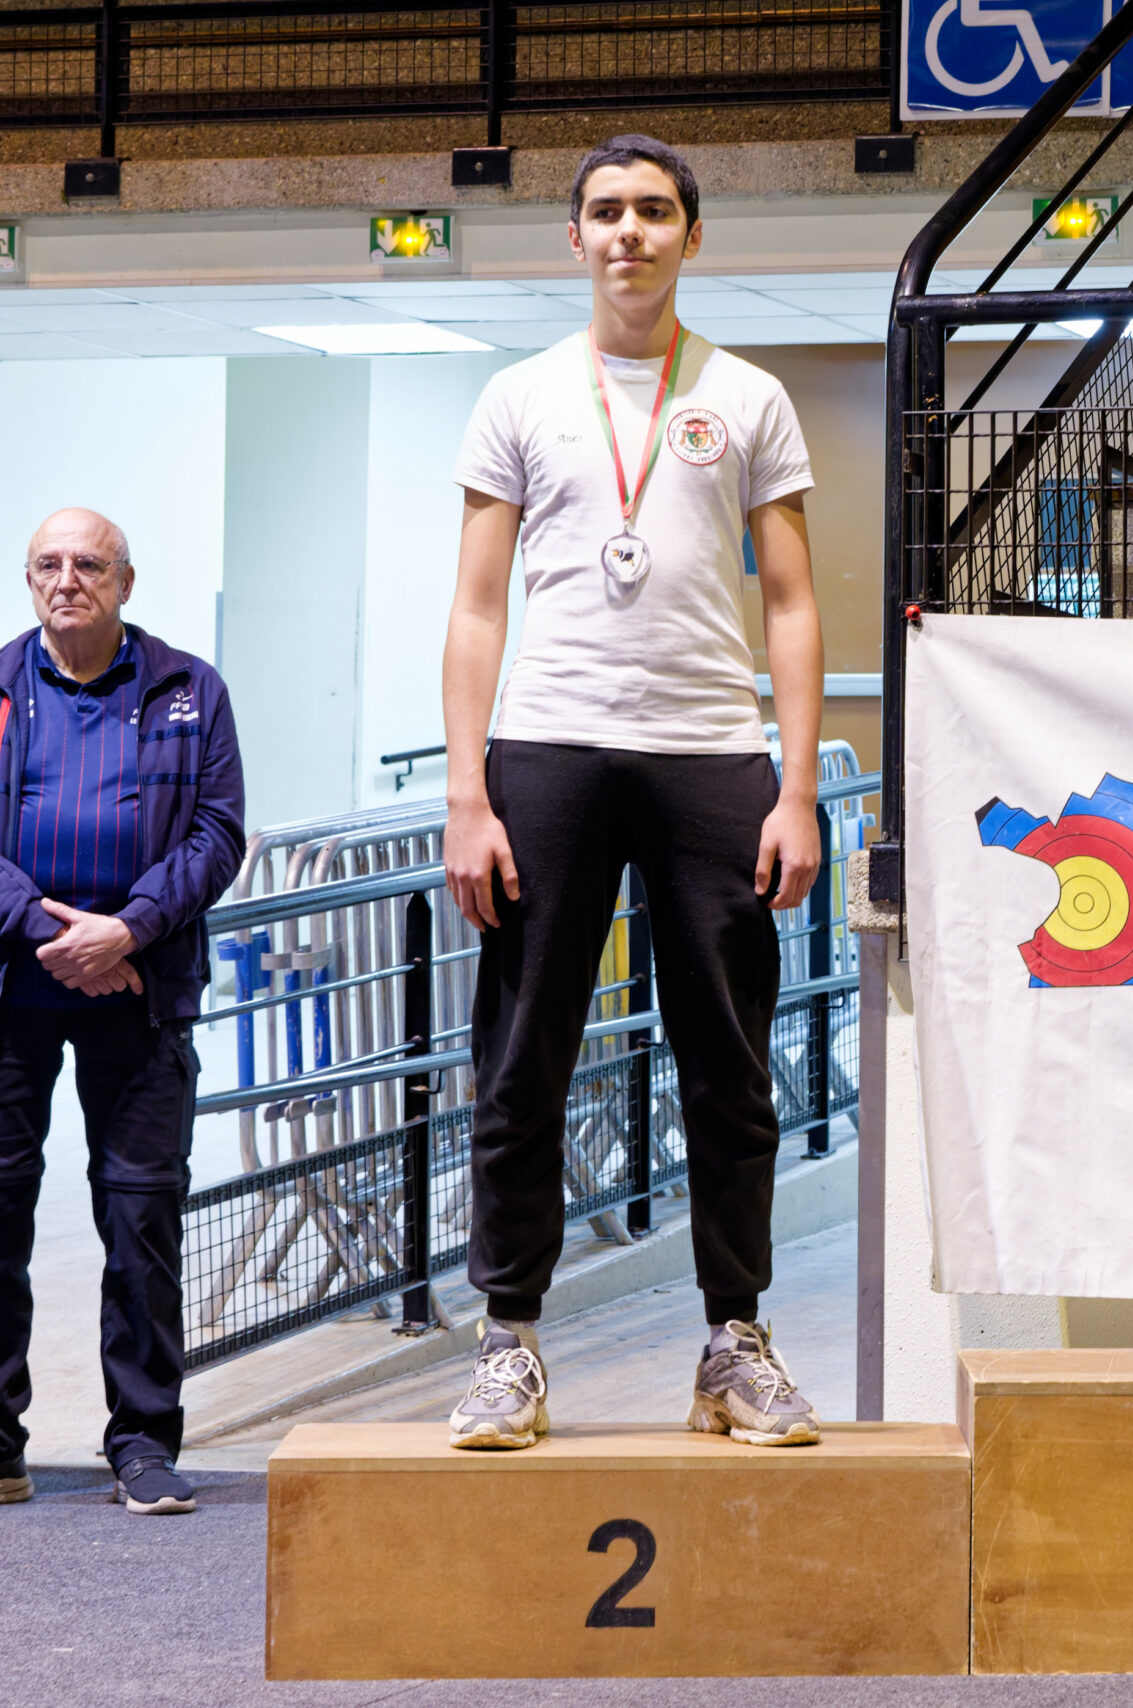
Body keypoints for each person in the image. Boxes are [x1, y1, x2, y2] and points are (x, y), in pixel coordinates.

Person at [441, 134, 826, 1450]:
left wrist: (796, 787)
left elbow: (791, 602)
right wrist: (467, 794)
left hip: (710, 755)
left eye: (654, 211)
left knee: (729, 1061)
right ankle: (508, 1342)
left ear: (691, 236)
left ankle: (734, 1341)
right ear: (575, 238)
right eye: (605, 211)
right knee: (522, 1056)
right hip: (548, 749)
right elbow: (476, 607)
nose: (629, 233)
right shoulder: (519, 395)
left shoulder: (749, 395)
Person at [0, 509, 244, 1515]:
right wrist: (49, 933)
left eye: (89, 564)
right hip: (11, 987)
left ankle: (143, 1443)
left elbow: (218, 832)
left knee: (141, 1217)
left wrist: (129, 930)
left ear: (126, 582)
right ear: (29, 580)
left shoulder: (190, 689)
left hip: (142, 993)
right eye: (49, 565)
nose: (68, 579)